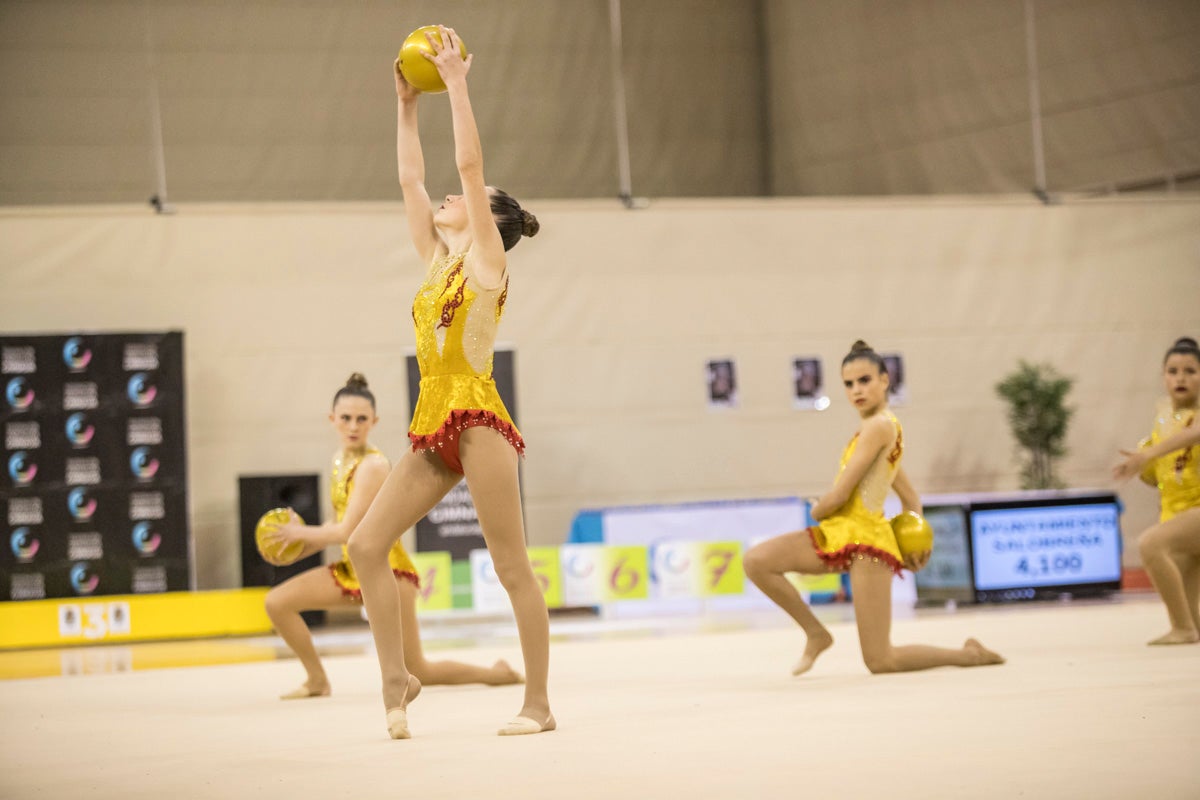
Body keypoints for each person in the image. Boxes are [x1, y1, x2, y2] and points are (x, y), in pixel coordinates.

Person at [345, 27, 552, 740]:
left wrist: (457, 84)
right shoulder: (436, 259)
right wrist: (405, 106)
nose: (448, 197)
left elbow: (468, 164)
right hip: (434, 425)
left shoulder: (488, 259)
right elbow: (410, 177)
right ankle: (397, 678)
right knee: (367, 546)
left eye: (467, 198)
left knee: (510, 565)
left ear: (489, 215)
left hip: (480, 421)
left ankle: (539, 704)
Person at [743, 341, 1005, 676]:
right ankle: (816, 633)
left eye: (865, 380)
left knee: (881, 660)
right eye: (849, 384)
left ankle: (969, 656)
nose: (856, 390)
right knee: (757, 561)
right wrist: (919, 541)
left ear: (885, 379)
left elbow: (840, 495)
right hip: (841, 535)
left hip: (867, 546)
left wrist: (819, 508)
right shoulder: (879, 429)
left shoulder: (879, 426)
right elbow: (910, 498)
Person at [261, 373, 522, 699]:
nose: (352, 426)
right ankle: (316, 679)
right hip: (350, 570)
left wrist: (299, 532)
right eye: (345, 418)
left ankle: (496, 675)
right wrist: (294, 546)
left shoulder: (372, 466)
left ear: (374, 421)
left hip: (389, 572)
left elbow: (347, 532)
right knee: (277, 602)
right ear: (332, 420)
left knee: (418, 670)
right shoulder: (340, 460)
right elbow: (335, 522)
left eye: (360, 419)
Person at [1111, 336, 1200, 645]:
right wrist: (1143, 467)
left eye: (1190, 371)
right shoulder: (1164, 418)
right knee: (1192, 611)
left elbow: (1194, 434)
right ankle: (1189, 628)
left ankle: (1182, 629)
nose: (1181, 378)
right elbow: (1162, 473)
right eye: (1173, 371)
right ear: (1163, 377)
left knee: (1150, 545)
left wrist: (1150, 453)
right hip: (1180, 515)